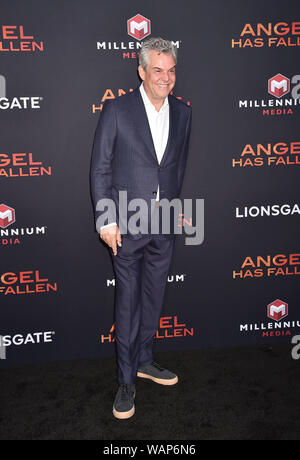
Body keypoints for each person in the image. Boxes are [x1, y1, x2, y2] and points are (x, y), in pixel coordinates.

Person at [90, 37, 192, 419]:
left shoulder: (184, 112)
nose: (165, 79)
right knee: (128, 302)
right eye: (157, 71)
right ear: (141, 71)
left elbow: (176, 168)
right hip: (126, 226)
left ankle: (146, 361)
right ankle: (126, 379)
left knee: (153, 298)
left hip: (163, 225)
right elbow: (100, 167)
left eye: (171, 71)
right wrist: (106, 219)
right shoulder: (116, 109)